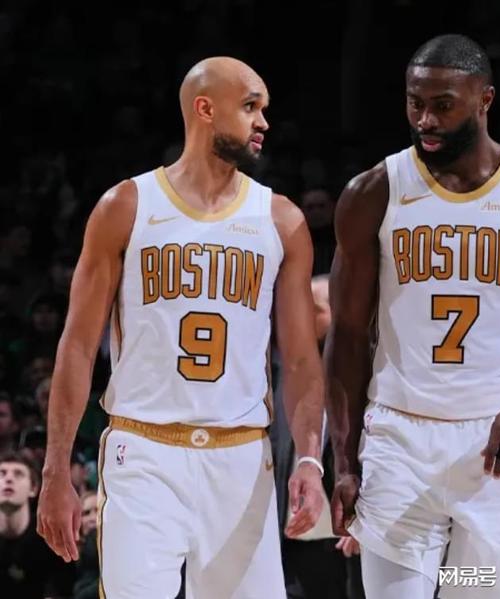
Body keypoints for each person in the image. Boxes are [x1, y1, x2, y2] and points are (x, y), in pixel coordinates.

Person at [325, 33, 500, 599]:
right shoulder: (373, 192)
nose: (425, 120)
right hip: (399, 439)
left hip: (499, 445)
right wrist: (344, 461)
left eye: (443, 105)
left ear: (484, 100)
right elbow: (348, 336)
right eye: (415, 103)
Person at [37, 56, 326, 599]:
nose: (263, 121)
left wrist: (309, 458)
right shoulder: (126, 206)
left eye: (264, 109)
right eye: (250, 107)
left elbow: (302, 359)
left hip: (242, 458)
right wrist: (56, 471)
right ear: (205, 108)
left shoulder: (281, 219)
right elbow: (76, 347)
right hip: (144, 453)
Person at [270, 274, 364, 599]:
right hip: (292, 542)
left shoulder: (360, 378)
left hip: (342, 541)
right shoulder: (281, 376)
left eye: (315, 309)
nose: (303, 316)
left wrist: (366, 521)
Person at [0, 451, 75, 598]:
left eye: (18, 474)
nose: (8, 479)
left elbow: (63, 591)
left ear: (33, 488)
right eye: (2, 473)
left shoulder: (52, 538)